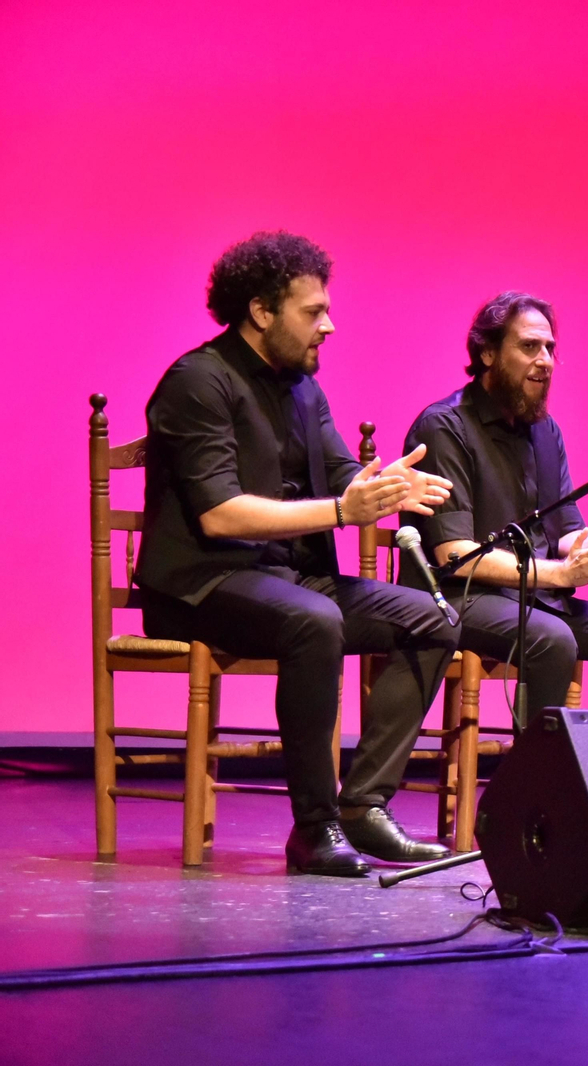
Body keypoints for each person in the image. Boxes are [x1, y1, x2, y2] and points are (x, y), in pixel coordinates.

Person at [136, 231, 459, 876]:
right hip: (201, 585)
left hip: (285, 578)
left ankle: (364, 805)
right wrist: (344, 511)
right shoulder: (198, 381)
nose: (329, 326)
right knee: (314, 621)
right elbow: (220, 514)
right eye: (313, 312)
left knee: (436, 619)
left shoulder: (304, 390)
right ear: (261, 311)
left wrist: (385, 487)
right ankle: (315, 828)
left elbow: (344, 474)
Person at [402, 291, 588, 724]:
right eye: (530, 346)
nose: (546, 360)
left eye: (550, 348)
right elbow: (453, 556)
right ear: (488, 353)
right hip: (462, 598)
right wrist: (561, 573)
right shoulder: (444, 427)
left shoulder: (545, 431)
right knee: (552, 639)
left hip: (536, 600)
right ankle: (533, 785)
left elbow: (562, 531)